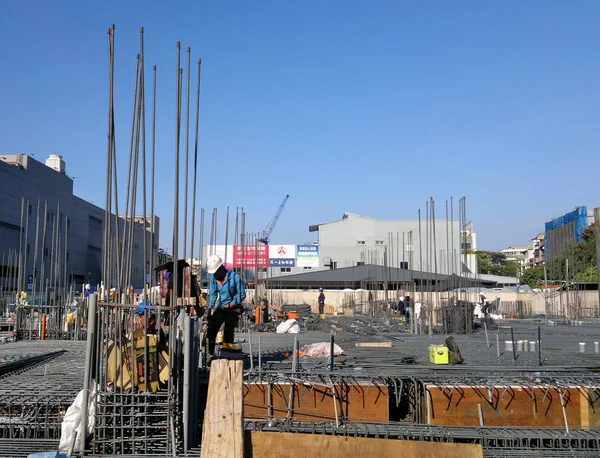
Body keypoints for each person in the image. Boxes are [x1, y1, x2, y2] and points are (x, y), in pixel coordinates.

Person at [206, 255, 246, 356]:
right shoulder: (213, 279)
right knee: (212, 329)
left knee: (228, 328)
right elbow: (213, 294)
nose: (215, 274)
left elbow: (241, 294)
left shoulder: (234, 277)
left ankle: (227, 353)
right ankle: (210, 354)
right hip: (221, 306)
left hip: (233, 307)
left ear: (221, 267)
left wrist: (232, 304)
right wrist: (210, 308)